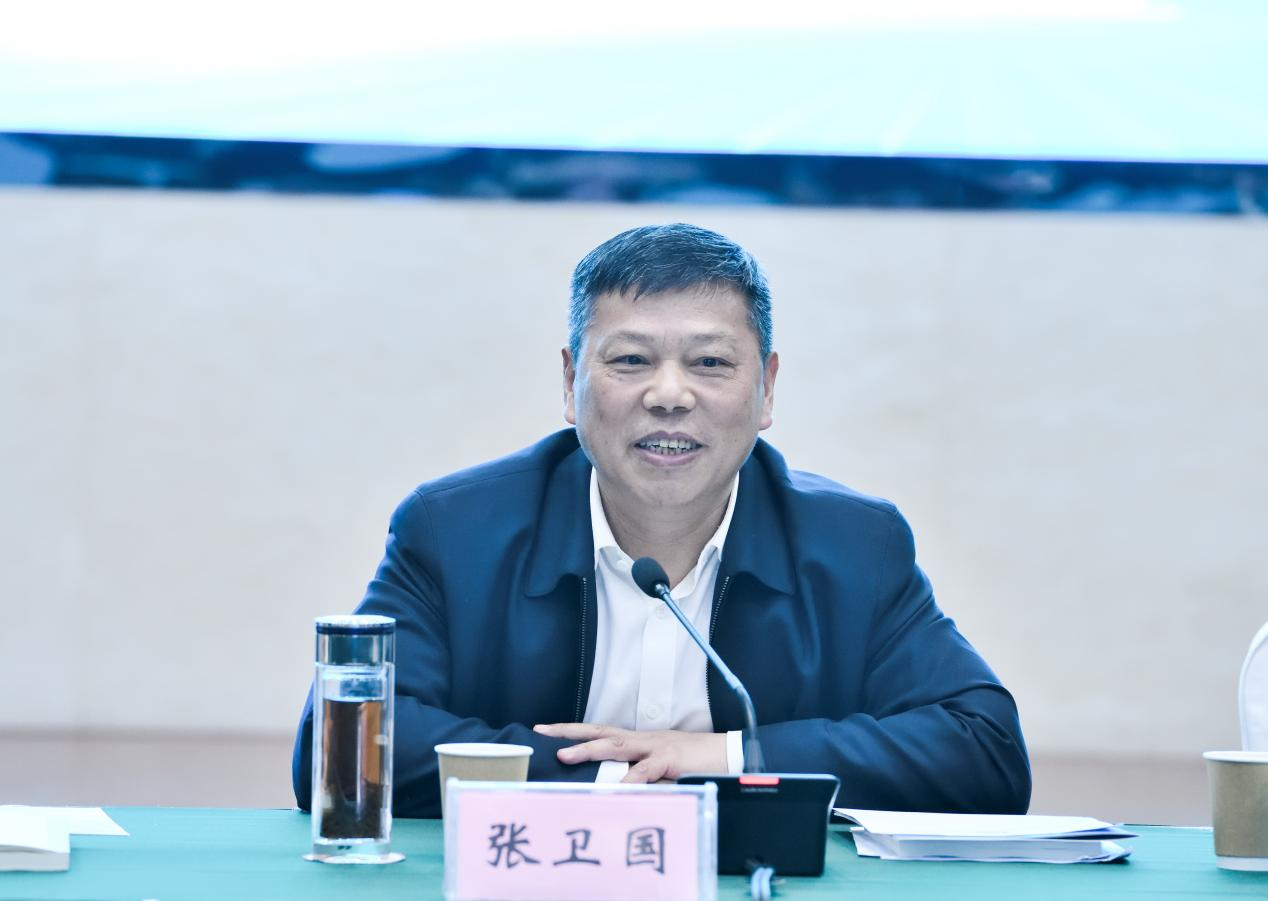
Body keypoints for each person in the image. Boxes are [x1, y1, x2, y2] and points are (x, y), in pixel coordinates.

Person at [292, 223, 1031, 818]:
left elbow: (984, 752)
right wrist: (626, 774)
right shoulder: (455, 531)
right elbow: (343, 749)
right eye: (630, 361)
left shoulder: (853, 546)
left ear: (767, 389)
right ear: (570, 382)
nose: (669, 395)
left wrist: (725, 756)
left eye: (710, 363)